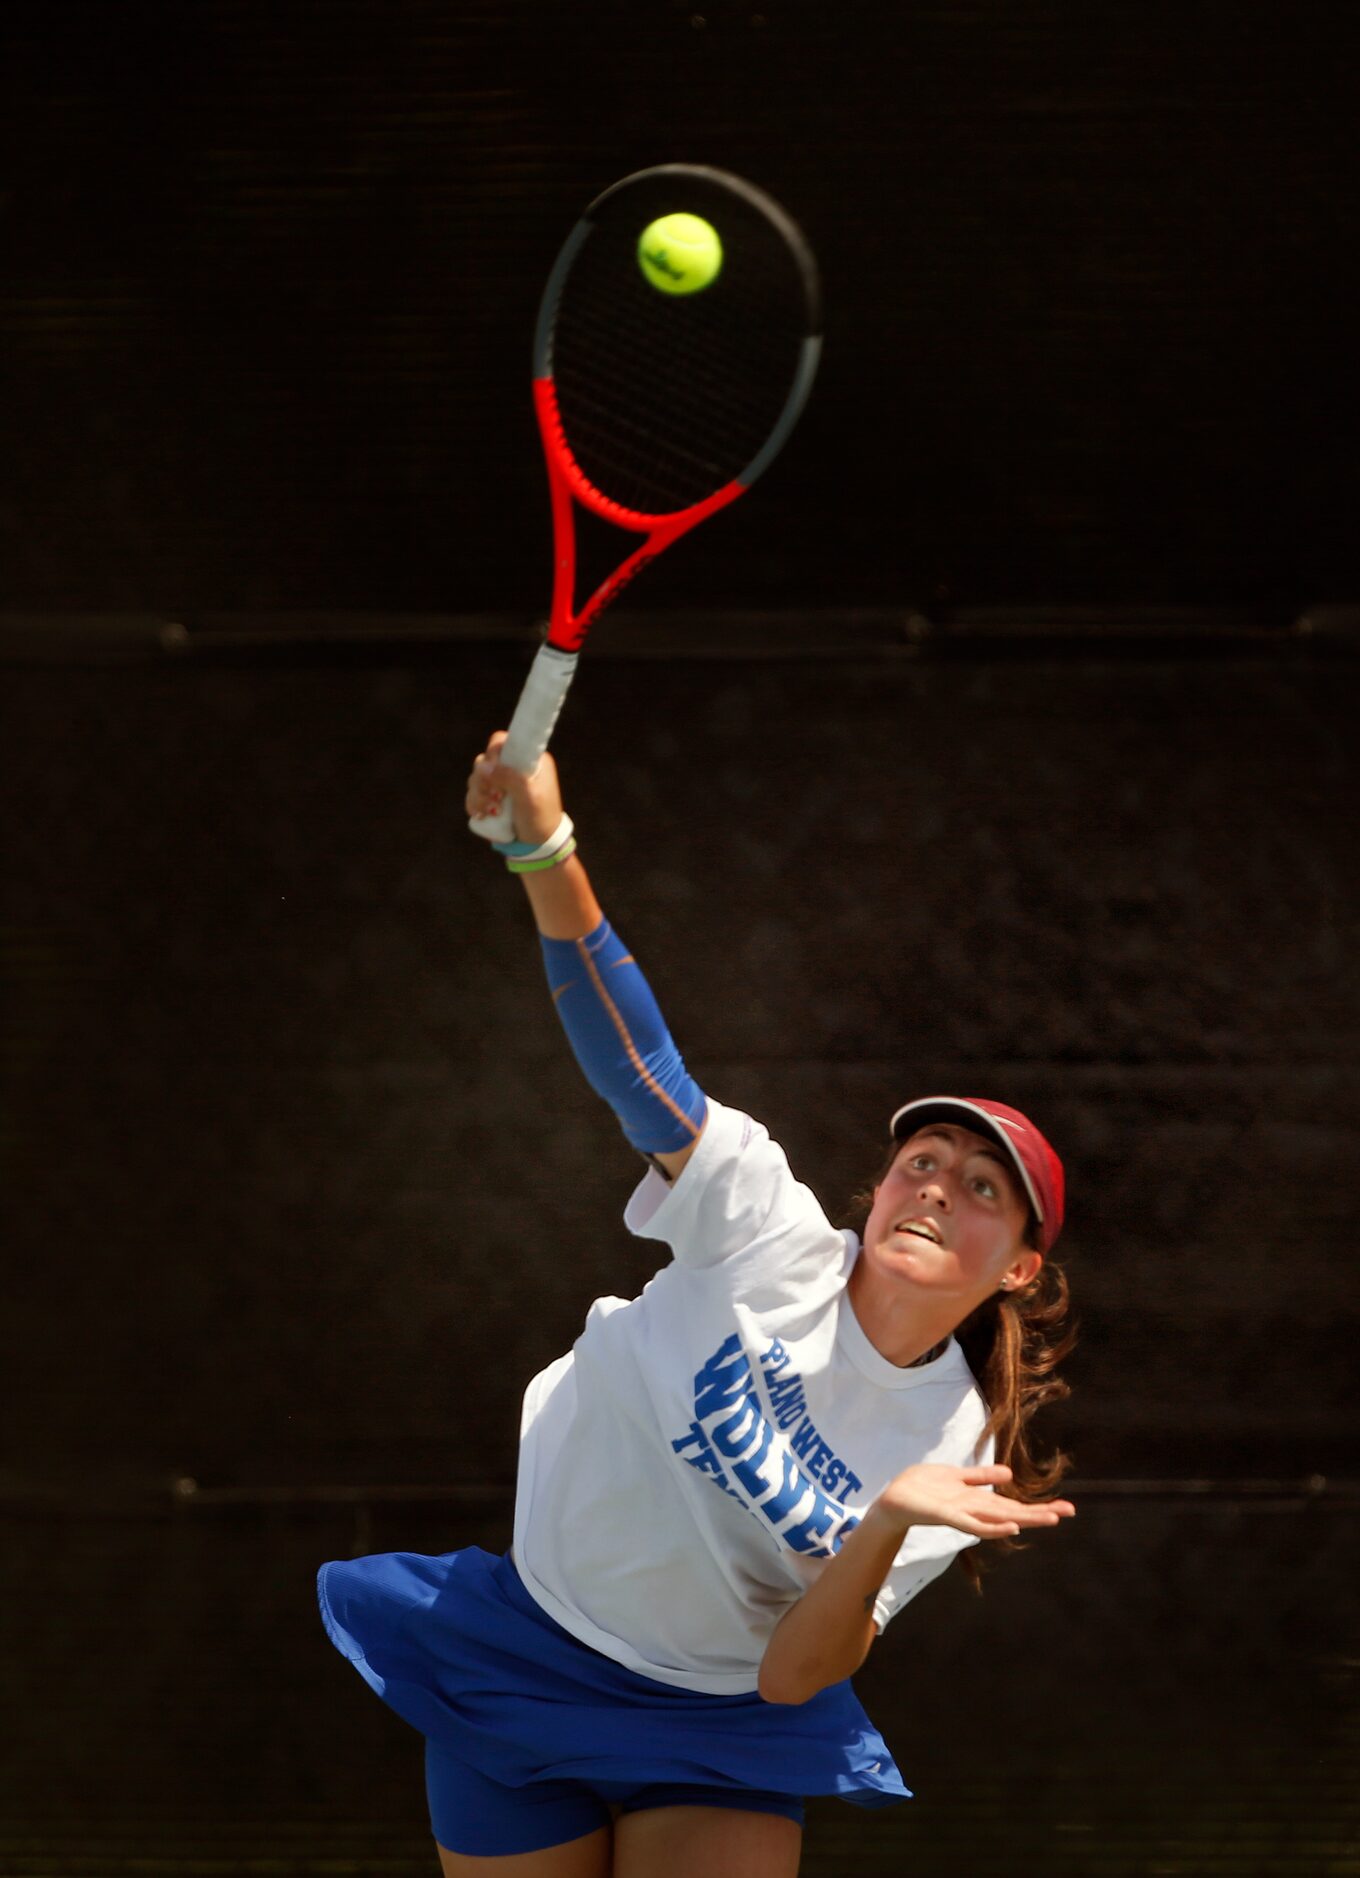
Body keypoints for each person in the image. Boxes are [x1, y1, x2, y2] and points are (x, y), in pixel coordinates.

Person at [317, 733, 1078, 1878]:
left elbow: (789, 1676)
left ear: (1018, 1265)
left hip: (719, 1727)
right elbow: (642, 1072)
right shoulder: (763, 1224)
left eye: (983, 1189)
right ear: (876, 1192)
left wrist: (885, 1522)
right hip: (530, 1650)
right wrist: (544, 852)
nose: (938, 1188)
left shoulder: (952, 1443)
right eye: (924, 1159)